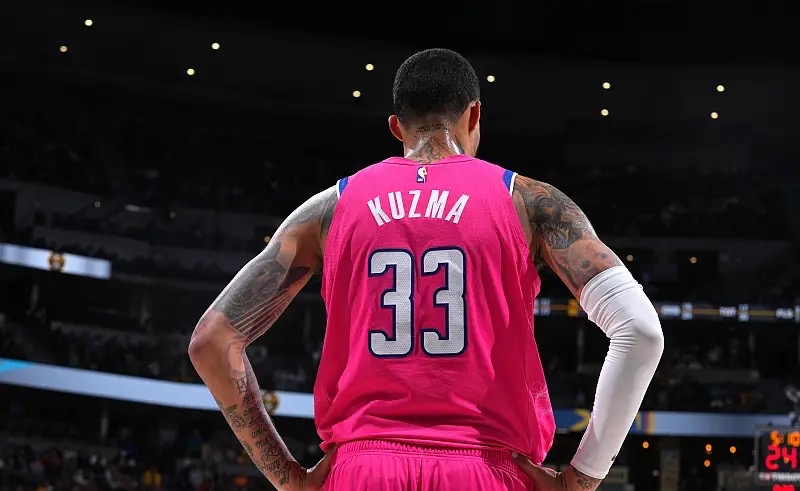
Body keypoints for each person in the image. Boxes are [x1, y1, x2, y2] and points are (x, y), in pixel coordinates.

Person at [188, 48, 664, 491]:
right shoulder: (529, 201)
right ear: (474, 114)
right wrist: (582, 478)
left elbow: (212, 341)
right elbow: (640, 331)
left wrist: (289, 478)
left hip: (361, 469)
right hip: (485, 468)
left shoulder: (328, 209)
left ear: (397, 126)